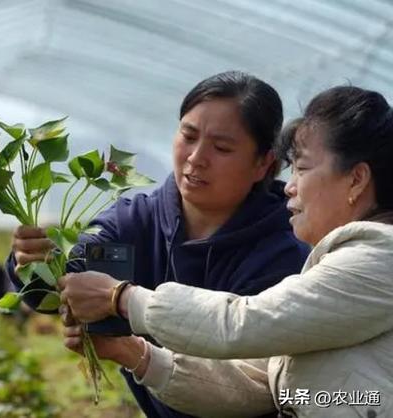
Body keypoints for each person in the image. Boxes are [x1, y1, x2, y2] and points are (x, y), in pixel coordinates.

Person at [59, 85, 393, 417]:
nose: (290, 186)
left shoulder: (379, 259)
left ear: (357, 180)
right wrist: (131, 351)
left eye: (303, 169)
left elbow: (244, 322)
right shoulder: (340, 263)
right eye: (189, 136)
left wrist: (122, 298)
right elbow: (250, 383)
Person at [8, 71, 310, 418]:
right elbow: (68, 282)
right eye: (188, 135)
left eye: (222, 147)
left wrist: (128, 344)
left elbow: (244, 391)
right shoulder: (136, 221)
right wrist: (35, 262)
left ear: (264, 164)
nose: (196, 157)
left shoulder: (284, 256)